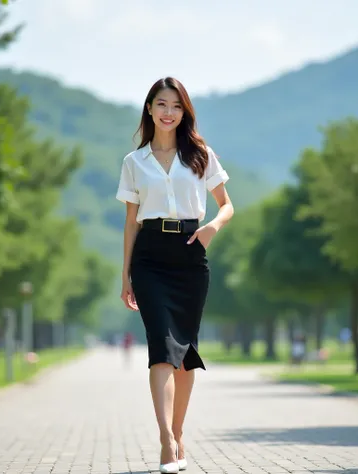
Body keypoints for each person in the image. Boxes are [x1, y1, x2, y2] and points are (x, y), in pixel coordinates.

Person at [116, 77, 234, 473]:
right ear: (149, 109)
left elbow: (227, 205)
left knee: (184, 354)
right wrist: (125, 276)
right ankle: (166, 440)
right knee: (162, 348)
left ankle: (179, 433)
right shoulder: (134, 163)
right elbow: (131, 223)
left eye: (176, 106)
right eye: (161, 104)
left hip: (190, 255)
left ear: (184, 112)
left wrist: (212, 228)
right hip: (149, 258)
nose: (168, 112)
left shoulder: (200, 154)